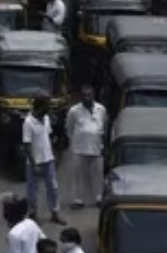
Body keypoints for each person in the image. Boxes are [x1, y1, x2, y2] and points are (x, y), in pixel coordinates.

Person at [22, 96, 64, 224]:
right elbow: (27, 145)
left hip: (48, 159)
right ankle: (33, 213)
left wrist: (53, 153)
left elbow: (48, 136)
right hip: (35, 162)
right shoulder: (28, 122)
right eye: (47, 107)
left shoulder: (46, 119)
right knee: (32, 189)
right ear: (40, 107)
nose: (49, 109)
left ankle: (55, 213)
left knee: (53, 187)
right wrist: (34, 163)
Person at [64, 86, 106, 209]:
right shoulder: (74, 111)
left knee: (97, 175)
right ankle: (78, 200)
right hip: (79, 148)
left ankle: (98, 198)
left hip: (96, 147)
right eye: (84, 95)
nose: (87, 97)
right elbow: (69, 128)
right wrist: (75, 140)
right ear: (81, 97)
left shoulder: (101, 109)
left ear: (93, 96)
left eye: (89, 95)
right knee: (78, 176)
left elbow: (103, 126)